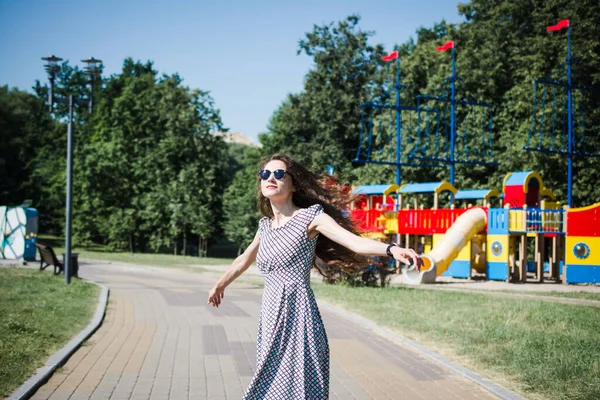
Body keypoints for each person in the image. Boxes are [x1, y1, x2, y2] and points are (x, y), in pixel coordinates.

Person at [207, 153, 422, 400]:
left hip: (298, 315)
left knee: (297, 388)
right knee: (270, 382)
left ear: (293, 183)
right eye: (265, 174)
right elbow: (243, 260)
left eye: (279, 174)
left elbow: (354, 243)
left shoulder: (311, 218)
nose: (270, 178)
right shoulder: (265, 227)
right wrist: (220, 284)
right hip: (270, 315)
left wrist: (392, 249)